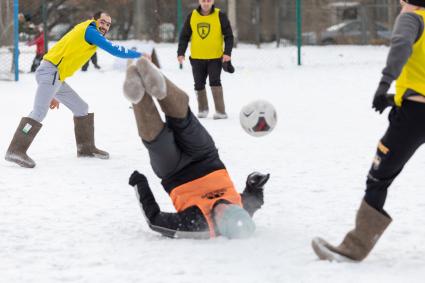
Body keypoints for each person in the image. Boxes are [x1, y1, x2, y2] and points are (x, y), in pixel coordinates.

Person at [312, 0, 425, 262]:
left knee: (379, 177)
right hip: (412, 105)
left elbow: (401, 47)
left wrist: (384, 84)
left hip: (415, 116)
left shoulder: (411, 19)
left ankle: (355, 247)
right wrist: (396, 97)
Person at [123, 58, 269, 239]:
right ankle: (161, 86)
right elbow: (255, 198)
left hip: (174, 173)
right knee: (184, 122)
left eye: (221, 213)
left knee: (156, 140)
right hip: (205, 156)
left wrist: (140, 184)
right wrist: (254, 183)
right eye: (229, 207)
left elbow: (155, 221)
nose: (222, 206)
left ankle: (138, 95)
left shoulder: (197, 224)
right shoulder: (242, 209)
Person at [5, 11, 148, 168]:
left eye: (108, 24)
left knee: (81, 108)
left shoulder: (86, 29)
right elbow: (114, 49)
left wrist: (54, 92)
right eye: (103, 22)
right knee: (39, 112)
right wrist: (139, 55)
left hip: (55, 76)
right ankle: (16, 150)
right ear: (94, 20)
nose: (105, 26)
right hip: (51, 72)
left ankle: (85, 148)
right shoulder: (90, 31)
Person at [177, 0, 234, 119]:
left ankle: (220, 111)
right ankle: (203, 109)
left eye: (208, 0)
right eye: (203, 0)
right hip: (197, 58)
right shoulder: (192, 16)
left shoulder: (220, 15)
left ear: (212, 1)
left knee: (215, 82)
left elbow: (228, 35)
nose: (206, 3)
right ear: (199, 1)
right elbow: (184, 36)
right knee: (198, 84)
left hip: (215, 57)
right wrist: (181, 52)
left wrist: (227, 52)